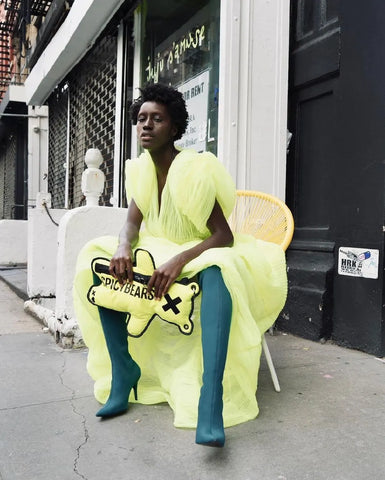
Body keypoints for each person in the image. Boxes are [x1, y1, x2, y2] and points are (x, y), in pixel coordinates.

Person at [73, 83, 287, 447]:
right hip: (158, 252)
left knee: (220, 268)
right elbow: (132, 222)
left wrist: (181, 258)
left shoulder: (193, 169)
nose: (146, 126)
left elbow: (224, 236)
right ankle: (123, 372)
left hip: (200, 250)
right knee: (99, 256)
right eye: (141, 119)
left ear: (174, 128)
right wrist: (124, 245)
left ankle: (211, 399)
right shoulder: (140, 170)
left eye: (157, 119)